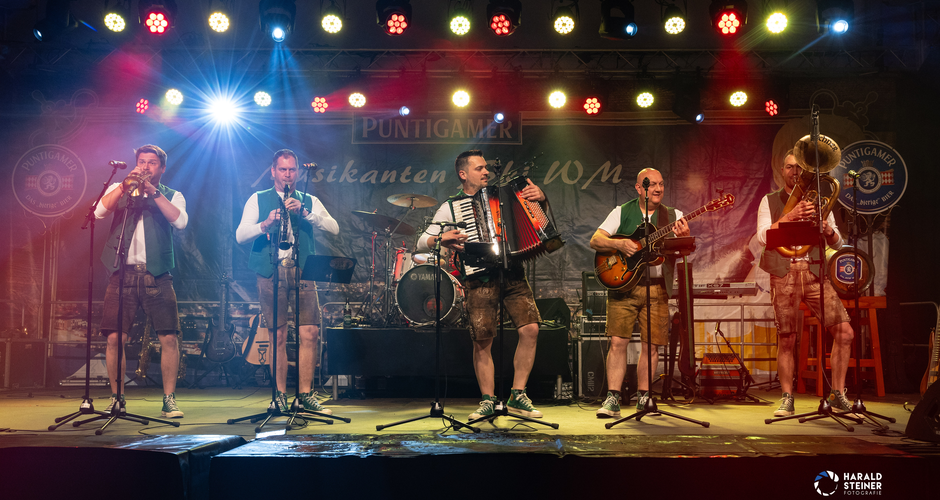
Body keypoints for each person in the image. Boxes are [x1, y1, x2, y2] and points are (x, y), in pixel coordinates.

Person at [416, 150, 546, 420]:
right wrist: (440, 239)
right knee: (483, 340)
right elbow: (422, 241)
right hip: (478, 277)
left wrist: (540, 201)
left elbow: (539, 222)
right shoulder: (451, 207)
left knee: (531, 328)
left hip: (512, 273)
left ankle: (518, 394)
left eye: (486, 168)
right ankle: (487, 399)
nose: (486, 172)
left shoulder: (508, 195)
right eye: (479, 168)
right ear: (463, 174)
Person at [236, 149, 339, 414]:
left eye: (292, 170)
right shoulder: (258, 199)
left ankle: (305, 395)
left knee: (310, 332)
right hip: (272, 270)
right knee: (277, 335)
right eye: (282, 170)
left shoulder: (309, 200)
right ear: (273, 172)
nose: (288, 174)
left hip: (303, 269)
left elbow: (334, 227)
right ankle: (279, 395)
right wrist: (266, 222)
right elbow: (240, 235)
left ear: (298, 172)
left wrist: (306, 213)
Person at [757, 149, 855, 417]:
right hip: (784, 271)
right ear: (782, 170)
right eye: (790, 167)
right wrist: (791, 215)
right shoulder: (770, 200)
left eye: (799, 168)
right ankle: (787, 398)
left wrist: (828, 230)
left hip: (813, 271)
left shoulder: (820, 201)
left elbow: (838, 244)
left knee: (845, 332)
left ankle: (837, 394)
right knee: (787, 339)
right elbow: (763, 237)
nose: (795, 173)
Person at [96, 144, 188, 418]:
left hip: (157, 274)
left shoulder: (172, 194)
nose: (145, 166)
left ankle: (169, 399)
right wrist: (124, 187)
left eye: (151, 163)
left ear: (161, 168)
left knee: (168, 336)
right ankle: (117, 398)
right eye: (141, 161)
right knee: (114, 338)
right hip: (122, 273)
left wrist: (154, 193)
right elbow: (99, 212)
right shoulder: (121, 187)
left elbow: (180, 222)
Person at [589, 168, 689, 418]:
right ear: (638, 188)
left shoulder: (673, 215)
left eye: (661, 184)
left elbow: (683, 252)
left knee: (651, 346)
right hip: (623, 287)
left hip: (657, 289)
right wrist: (619, 243)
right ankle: (612, 399)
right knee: (618, 342)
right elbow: (595, 240)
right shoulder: (621, 211)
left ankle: (644, 397)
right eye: (651, 184)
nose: (657, 189)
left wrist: (684, 239)